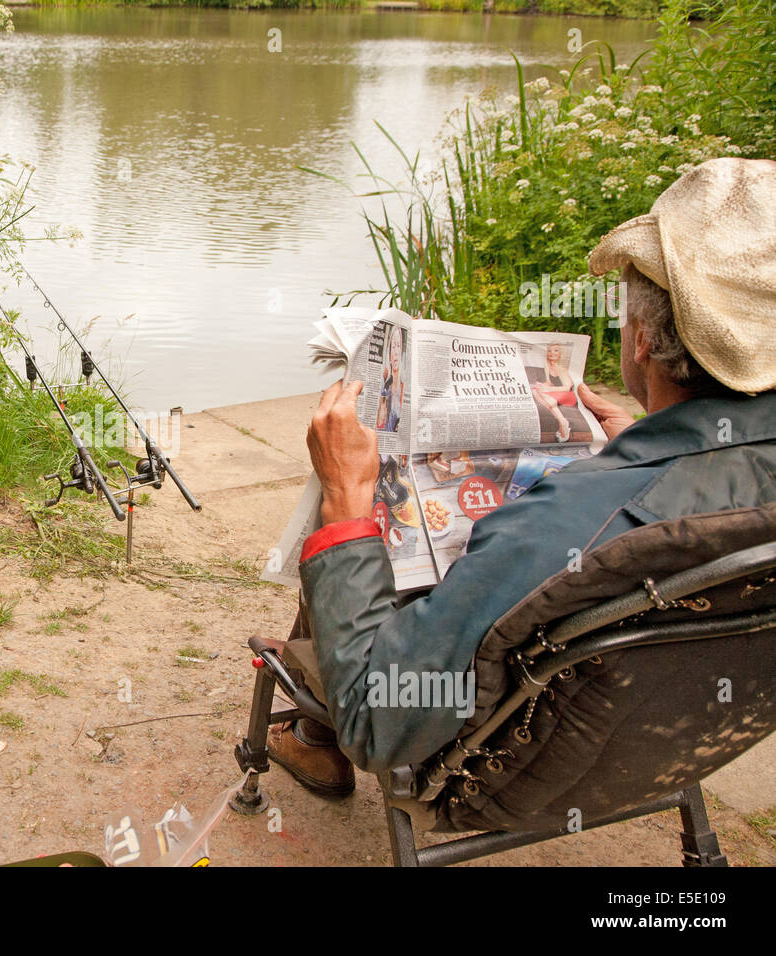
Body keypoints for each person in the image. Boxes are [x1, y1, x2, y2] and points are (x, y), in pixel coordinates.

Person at [266, 157, 776, 798]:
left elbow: (379, 720)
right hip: (668, 733)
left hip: (508, 775)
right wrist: (651, 448)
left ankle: (316, 742)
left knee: (357, 537)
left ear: (643, 339)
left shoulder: (562, 522)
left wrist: (345, 499)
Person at [528, 342, 578, 442]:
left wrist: (548, 389)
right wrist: (540, 385)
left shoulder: (561, 368)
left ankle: (563, 423)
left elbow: (567, 388)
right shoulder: (548, 366)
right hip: (554, 395)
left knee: (541, 392)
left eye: (556, 350)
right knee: (534, 389)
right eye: (549, 350)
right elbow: (549, 382)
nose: (552, 353)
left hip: (567, 396)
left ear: (561, 354)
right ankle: (563, 422)